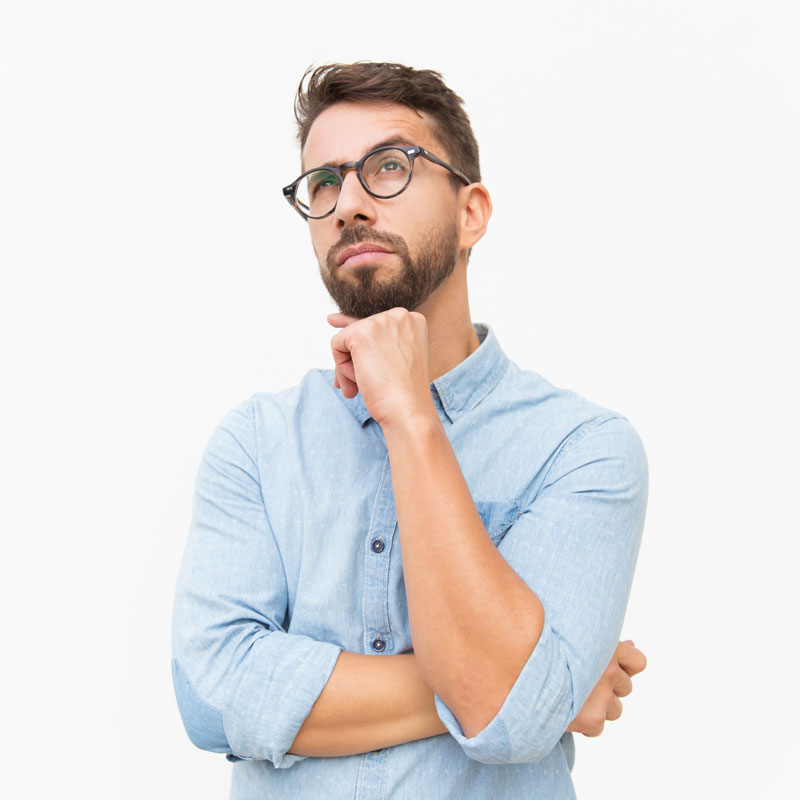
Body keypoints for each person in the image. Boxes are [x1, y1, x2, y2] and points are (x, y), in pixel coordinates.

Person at [171, 61, 649, 799]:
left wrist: (411, 415)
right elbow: (212, 696)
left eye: (389, 166)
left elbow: (512, 721)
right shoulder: (256, 443)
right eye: (323, 183)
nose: (347, 204)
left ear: (471, 213)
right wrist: (542, 684)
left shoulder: (582, 450)